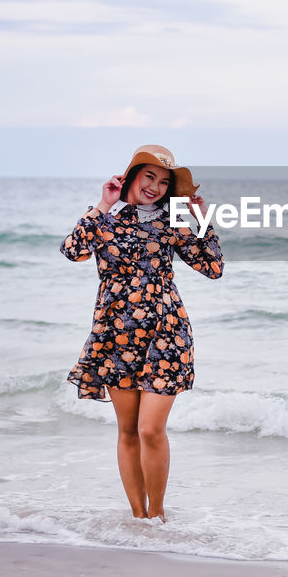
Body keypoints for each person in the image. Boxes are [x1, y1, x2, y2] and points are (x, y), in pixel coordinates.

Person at [60, 145, 223, 521]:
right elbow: (72, 251)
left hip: (166, 331)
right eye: (149, 176)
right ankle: (139, 517)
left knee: (151, 429)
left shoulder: (172, 220)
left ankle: (158, 516)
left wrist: (203, 220)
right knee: (128, 430)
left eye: (164, 182)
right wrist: (103, 205)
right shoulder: (104, 219)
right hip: (115, 333)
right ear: (132, 175)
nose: (155, 187)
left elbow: (213, 267)